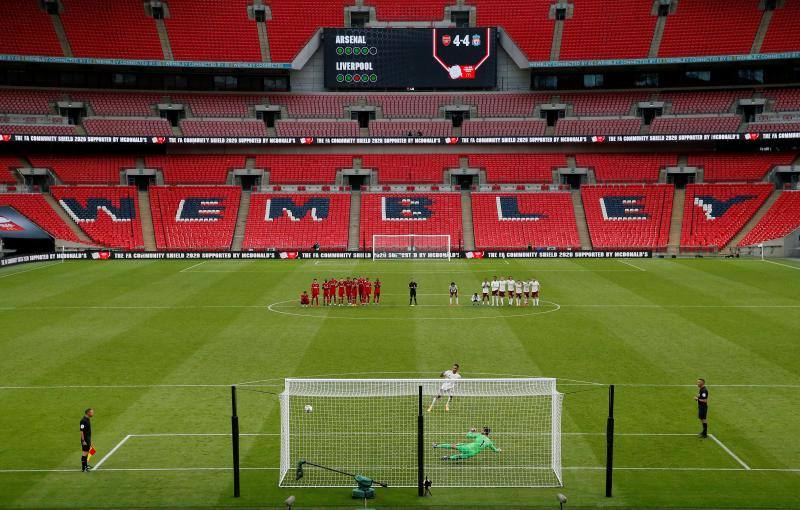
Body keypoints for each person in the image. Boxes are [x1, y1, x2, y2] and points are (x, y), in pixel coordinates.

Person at [433, 426, 501, 461]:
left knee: (452, 446)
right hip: (472, 453)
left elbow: (468, 435)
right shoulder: (489, 442)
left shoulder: (479, 435)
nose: (481, 430)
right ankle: (448, 458)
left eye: (483, 430)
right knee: (459, 456)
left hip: (467, 447)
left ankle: (436, 446)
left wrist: (471, 430)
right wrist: (499, 450)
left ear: (484, 432)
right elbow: (495, 450)